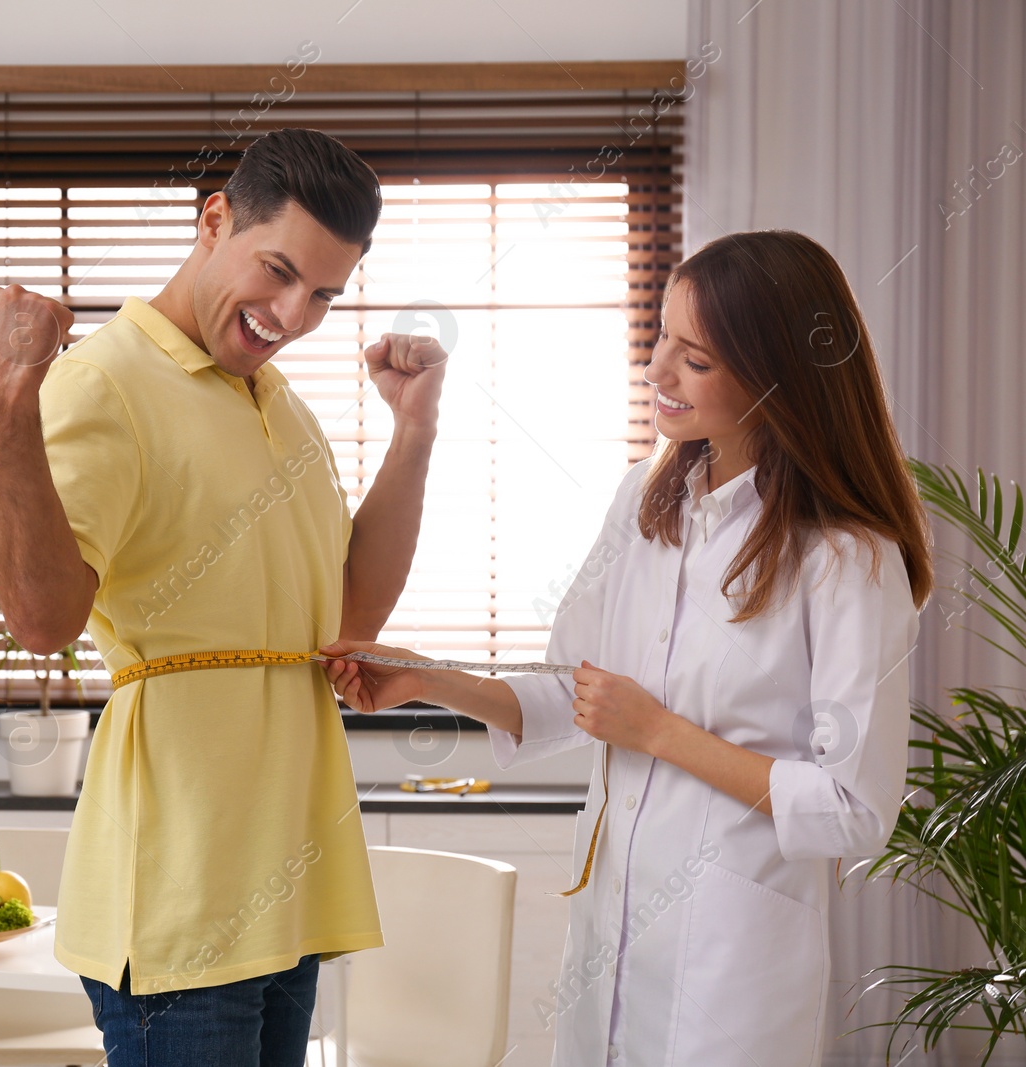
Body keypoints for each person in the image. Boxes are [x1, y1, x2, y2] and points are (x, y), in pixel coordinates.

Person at [322, 230, 933, 1067]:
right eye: (661, 341)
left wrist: (659, 733)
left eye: (697, 358)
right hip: (610, 942)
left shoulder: (847, 559)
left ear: (778, 378)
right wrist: (430, 680)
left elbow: (854, 810)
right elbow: (573, 694)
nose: (658, 372)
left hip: (734, 970)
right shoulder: (647, 503)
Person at [0, 128, 447, 1064]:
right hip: (179, 902)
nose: (291, 311)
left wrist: (415, 429)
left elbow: (351, 616)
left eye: (322, 293)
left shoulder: (279, 405)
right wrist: (8, 395)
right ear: (214, 218)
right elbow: (39, 620)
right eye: (277, 270)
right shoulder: (102, 382)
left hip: (283, 885)